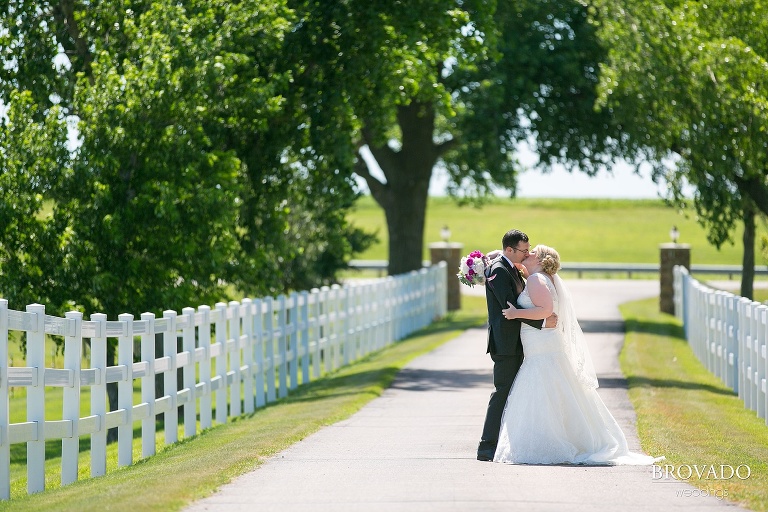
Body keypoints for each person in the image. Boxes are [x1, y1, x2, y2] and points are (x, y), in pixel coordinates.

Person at [494, 244, 661, 465]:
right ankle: (557, 437)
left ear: (541, 260)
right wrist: (495, 257)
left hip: (542, 344)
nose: (528, 252)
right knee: (555, 388)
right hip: (543, 342)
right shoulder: (540, 277)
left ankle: (549, 443)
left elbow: (545, 311)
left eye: (533, 251)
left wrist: (516, 314)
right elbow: (515, 266)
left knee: (542, 386)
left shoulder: (536, 280)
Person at [477, 230, 557, 462]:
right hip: (505, 344)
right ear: (510, 250)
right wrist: (542, 321)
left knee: (513, 393)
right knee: (502, 392)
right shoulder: (499, 271)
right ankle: (487, 446)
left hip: (520, 342)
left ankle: (504, 441)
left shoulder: (509, 266)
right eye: (524, 250)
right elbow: (508, 307)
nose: (528, 253)